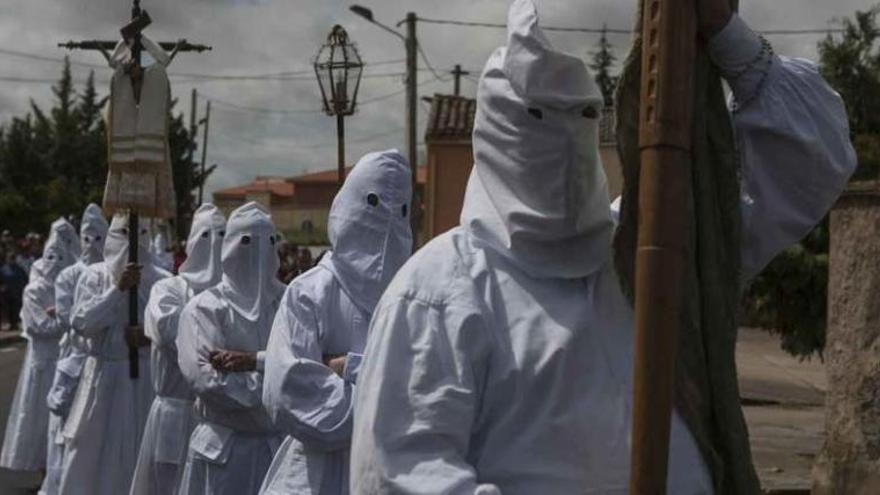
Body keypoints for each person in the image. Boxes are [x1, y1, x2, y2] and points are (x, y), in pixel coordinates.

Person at [350, 0, 857, 493]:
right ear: (498, 130)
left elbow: (814, 162)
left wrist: (727, 35)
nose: (564, 140)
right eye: (539, 116)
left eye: (583, 115)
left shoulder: (651, 254)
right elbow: (401, 473)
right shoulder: (439, 290)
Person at [259, 150, 413, 495]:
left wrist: (350, 369)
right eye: (372, 203)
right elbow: (288, 396)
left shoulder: (413, 297)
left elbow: (429, 387)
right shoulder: (309, 293)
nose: (386, 221)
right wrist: (386, 398)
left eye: (400, 208)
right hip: (316, 476)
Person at [176, 202, 286, 495]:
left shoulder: (289, 302)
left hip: (278, 449)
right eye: (248, 242)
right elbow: (208, 381)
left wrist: (254, 366)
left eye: (269, 241)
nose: (259, 253)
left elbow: (305, 363)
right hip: (225, 451)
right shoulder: (205, 308)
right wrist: (277, 383)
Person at [59, 214, 167, 495]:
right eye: (123, 233)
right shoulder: (94, 275)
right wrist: (118, 289)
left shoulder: (162, 279)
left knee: (140, 454)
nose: (132, 243)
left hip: (145, 380)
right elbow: (82, 322)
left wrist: (148, 335)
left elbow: (174, 329)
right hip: (103, 379)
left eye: (140, 233)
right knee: (92, 456)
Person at [130, 204, 226, 495]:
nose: (215, 245)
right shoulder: (168, 289)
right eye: (208, 236)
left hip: (220, 421)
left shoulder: (238, 295)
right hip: (175, 412)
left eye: (223, 235)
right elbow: (172, 335)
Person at [0, 218, 78, 474]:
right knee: (38, 417)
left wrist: (61, 315)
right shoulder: (34, 290)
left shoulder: (70, 284)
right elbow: (40, 327)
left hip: (65, 359)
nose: (55, 262)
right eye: (51, 256)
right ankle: (43, 468)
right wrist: (66, 318)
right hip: (43, 362)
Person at [41, 204, 109, 495]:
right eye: (87, 238)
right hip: (75, 360)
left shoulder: (110, 273)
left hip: (104, 364)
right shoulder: (69, 275)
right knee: (66, 434)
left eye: (99, 238)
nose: (92, 245)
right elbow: (72, 319)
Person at [0, 251, 28, 332]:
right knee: (7, 309)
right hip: (6, 293)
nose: (11, 260)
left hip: (17, 292)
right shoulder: (3, 269)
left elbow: (25, 279)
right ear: (7, 259)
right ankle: (10, 324)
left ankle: (15, 324)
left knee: (16, 309)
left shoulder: (19, 268)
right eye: (10, 258)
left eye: (13, 258)